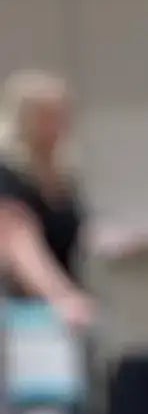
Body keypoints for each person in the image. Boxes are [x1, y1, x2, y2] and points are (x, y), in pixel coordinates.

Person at [0, 71, 94, 330]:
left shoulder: (59, 174)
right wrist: (61, 297)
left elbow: (67, 228)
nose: (59, 125)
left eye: (62, 115)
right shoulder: (8, 173)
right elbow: (18, 242)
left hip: (58, 307)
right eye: (48, 116)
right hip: (25, 310)